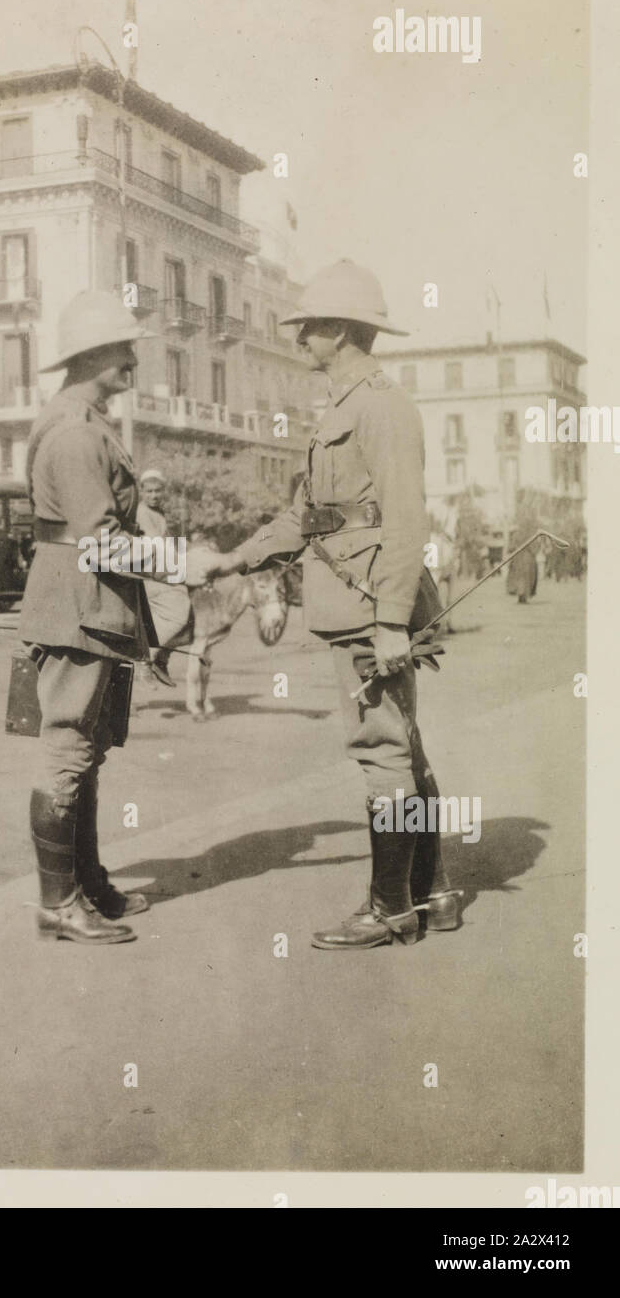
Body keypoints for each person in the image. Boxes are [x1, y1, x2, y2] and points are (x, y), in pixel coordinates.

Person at [204, 259, 459, 950]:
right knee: (400, 746)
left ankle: (389, 910)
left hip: (370, 604)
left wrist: (385, 621)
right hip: (353, 598)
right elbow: (307, 518)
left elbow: (406, 519)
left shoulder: (381, 408)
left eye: (310, 327)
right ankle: (432, 893)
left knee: (381, 750)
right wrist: (237, 557)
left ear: (343, 331)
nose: (300, 338)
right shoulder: (340, 411)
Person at [17, 289, 210, 946]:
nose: (133, 358)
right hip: (79, 604)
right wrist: (180, 561)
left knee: (89, 751)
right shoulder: (74, 434)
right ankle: (57, 905)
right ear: (93, 355)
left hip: (94, 604)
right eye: (124, 348)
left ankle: (86, 881)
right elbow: (99, 540)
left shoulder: (86, 422)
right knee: (67, 749)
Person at [135, 469, 193, 686]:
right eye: (149, 491)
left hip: (158, 568)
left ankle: (162, 659)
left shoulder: (159, 513)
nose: (154, 495)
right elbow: (156, 543)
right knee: (181, 610)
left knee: (191, 613)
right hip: (146, 572)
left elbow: (166, 541)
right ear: (141, 492)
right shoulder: (142, 513)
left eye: (158, 491)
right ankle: (147, 660)